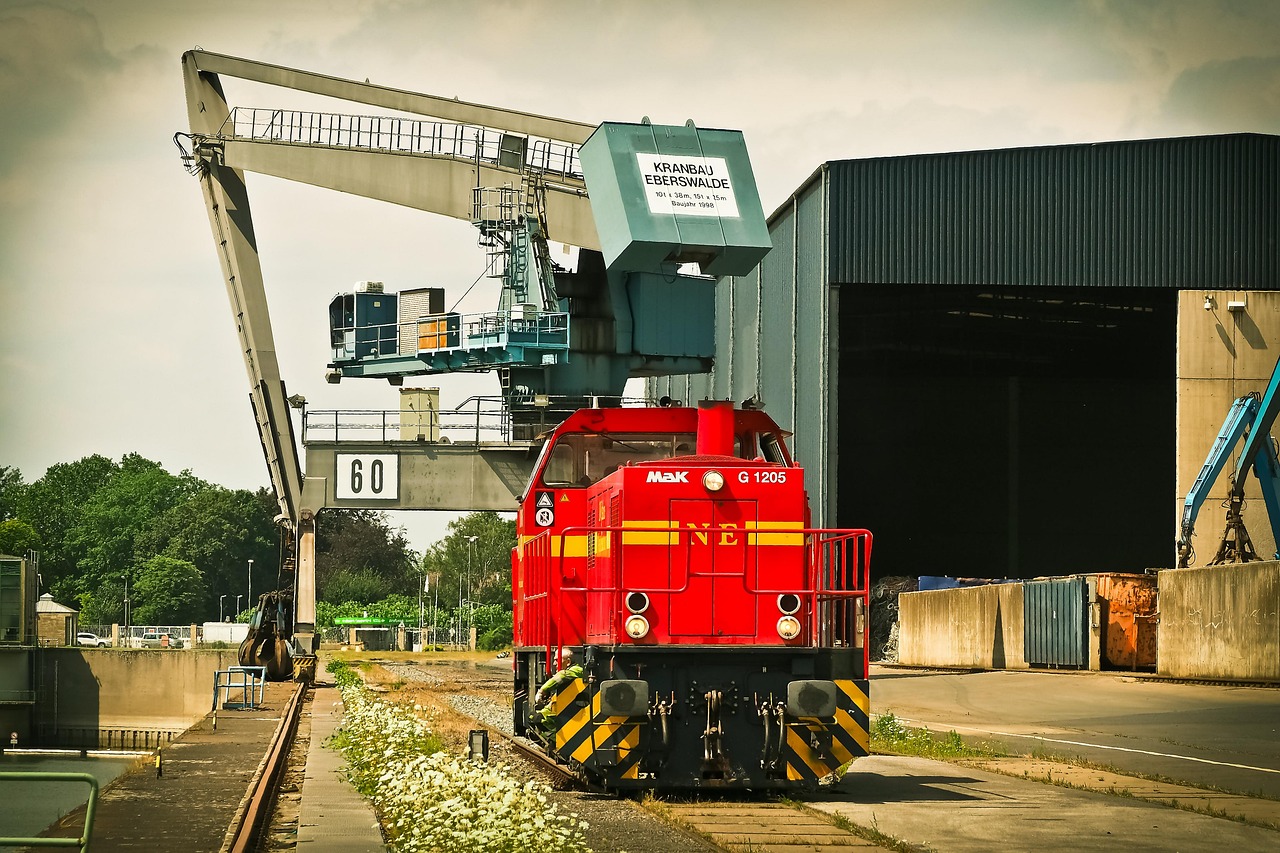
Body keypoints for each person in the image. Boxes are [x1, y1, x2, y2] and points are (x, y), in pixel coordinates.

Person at [534, 647, 583, 730]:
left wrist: (542, 691)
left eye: (557, 660)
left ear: (568, 662)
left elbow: (561, 676)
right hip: (569, 713)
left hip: (575, 716)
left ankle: (554, 740)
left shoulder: (576, 670)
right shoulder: (569, 674)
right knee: (534, 717)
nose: (554, 664)